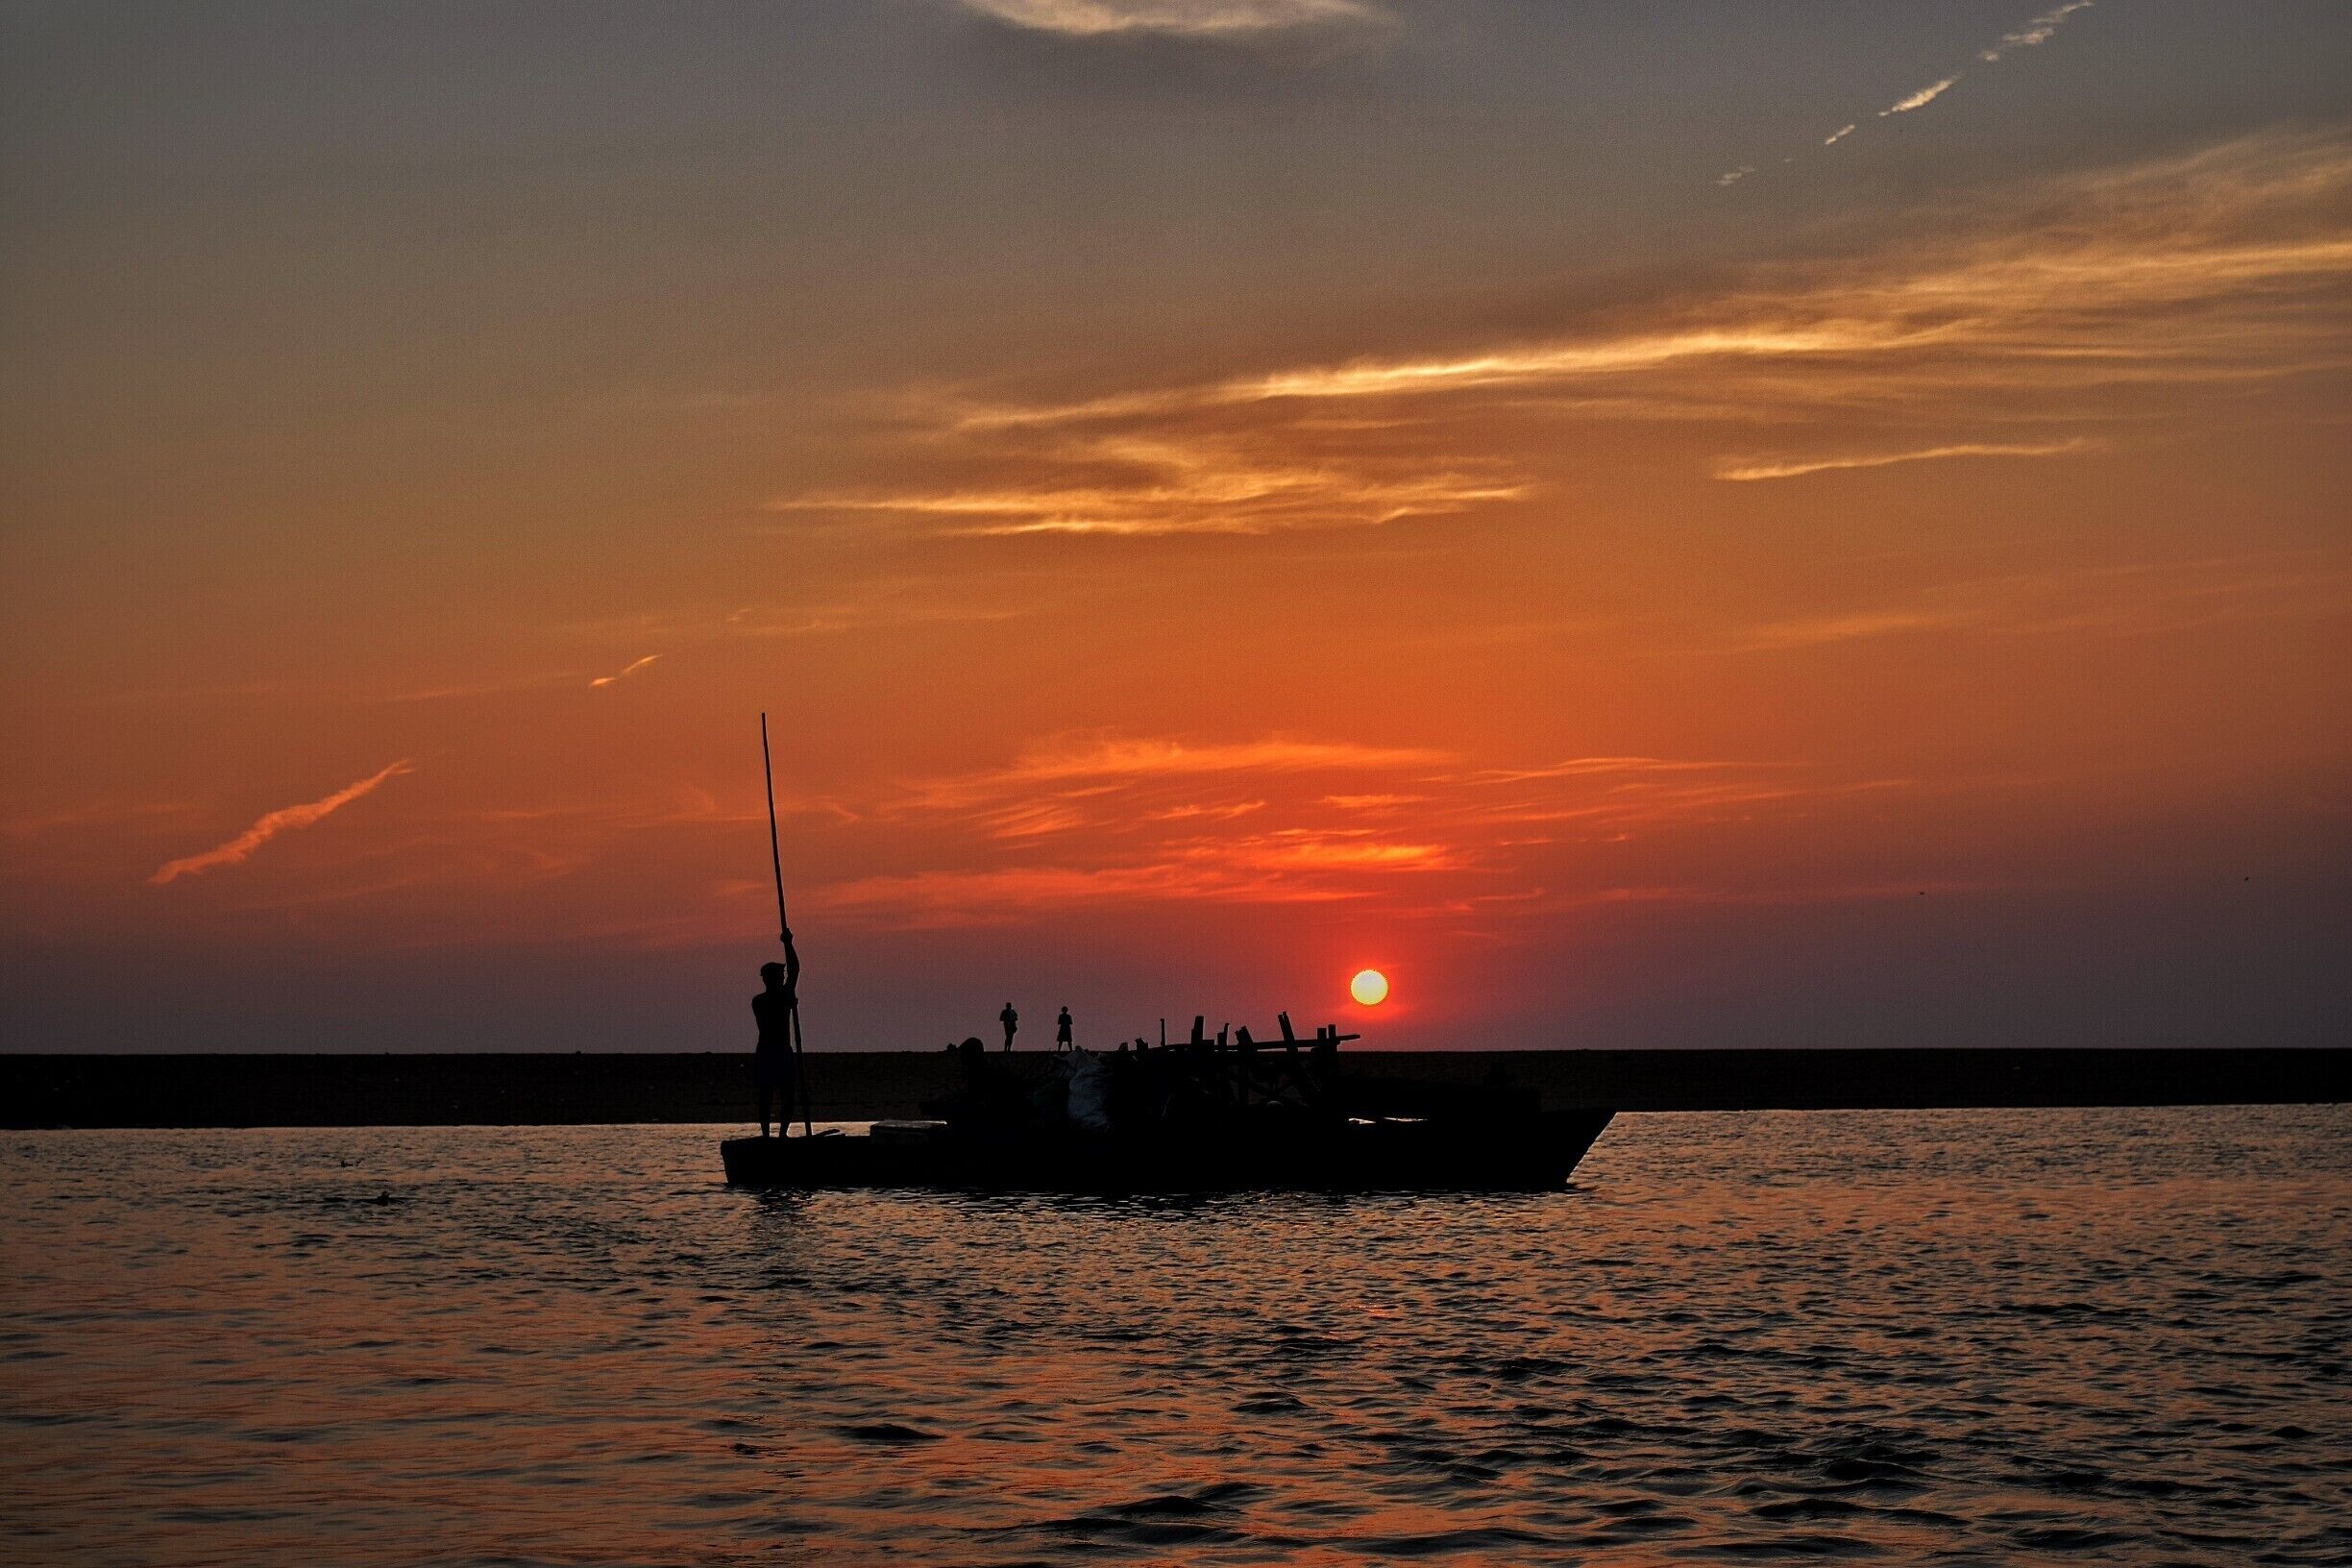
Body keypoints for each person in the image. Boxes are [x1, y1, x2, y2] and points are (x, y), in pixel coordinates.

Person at [753, 931, 801, 1137]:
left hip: (783, 1050)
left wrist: (788, 944)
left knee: (787, 1095)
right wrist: (788, 1000)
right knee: (765, 1094)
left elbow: (795, 970)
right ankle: (766, 1135)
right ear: (767, 979)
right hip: (768, 1051)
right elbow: (769, 1018)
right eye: (777, 977)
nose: (782, 979)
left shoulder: (784, 995)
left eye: (782, 977)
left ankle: (782, 1134)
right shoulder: (760, 1001)